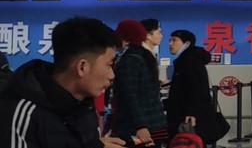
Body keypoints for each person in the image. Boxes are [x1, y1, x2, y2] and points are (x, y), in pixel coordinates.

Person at [0, 16, 126, 147]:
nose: (112, 75)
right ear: (82, 67)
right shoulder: (21, 113)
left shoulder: (85, 106)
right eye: (108, 65)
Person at [112, 19, 168, 146]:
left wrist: (140, 125)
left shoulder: (129, 60)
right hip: (155, 122)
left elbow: (131, 95)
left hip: (137, 126)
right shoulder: (145, 56)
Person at [167, 29, 222, 141]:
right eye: (169, 40)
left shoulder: (191, 60)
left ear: (186, 43)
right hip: (185, 112)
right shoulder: (185, 59)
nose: (170, 44)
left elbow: (198, 88)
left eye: (174, 40)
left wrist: (192, 112)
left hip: (189, 116)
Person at [140, 18, 164, 84]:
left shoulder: (149, 53)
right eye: (159, 33)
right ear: (148, 36)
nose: (161, 36)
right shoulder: (143, 55)